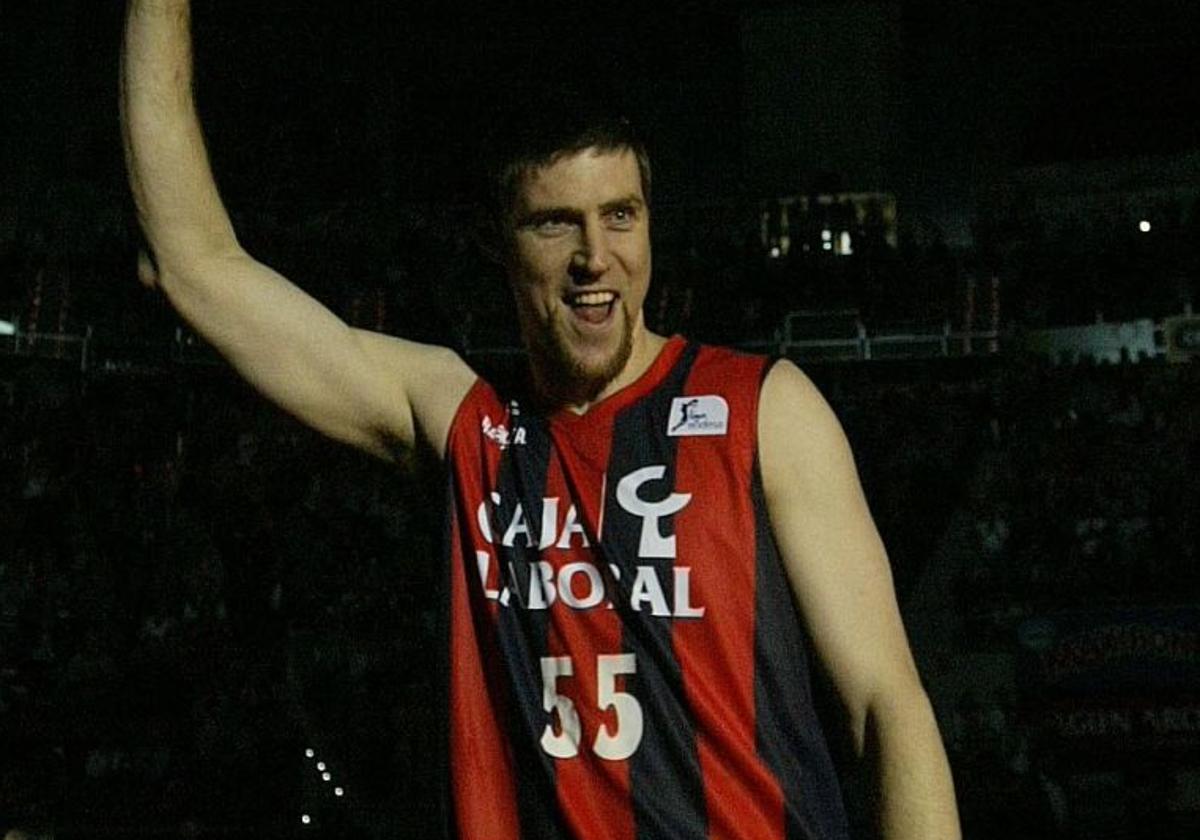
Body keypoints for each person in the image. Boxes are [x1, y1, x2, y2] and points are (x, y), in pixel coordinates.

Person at [121, 2, 961, 838]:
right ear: (500, 241)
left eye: (620, 215)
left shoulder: (765, 410)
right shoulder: (467, 421)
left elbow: (889, 707)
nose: (596, 257)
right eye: (556, 223)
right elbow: (194, 265)